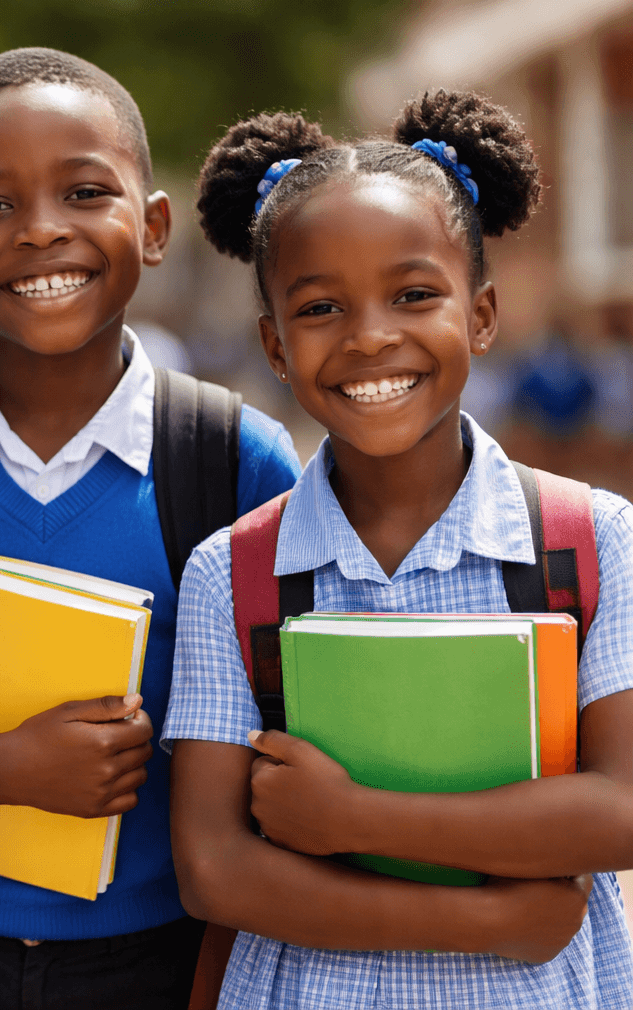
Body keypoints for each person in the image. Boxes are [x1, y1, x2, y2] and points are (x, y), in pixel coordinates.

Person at [0, 48, 302, 1010]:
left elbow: (273, 751)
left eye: (85, 191)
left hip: (158, 956)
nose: (41, 232)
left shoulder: (232, 462)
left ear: (155, 225)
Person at [165, 90, 633, 1008]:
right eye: (321, 306)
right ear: (273, 344)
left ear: (484, 314)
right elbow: (213, 868)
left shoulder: (592, 541)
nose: (371, 335)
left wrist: (357, 819)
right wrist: (490, 922)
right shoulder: (235, 572)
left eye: (414, 295)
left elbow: (619, 813)